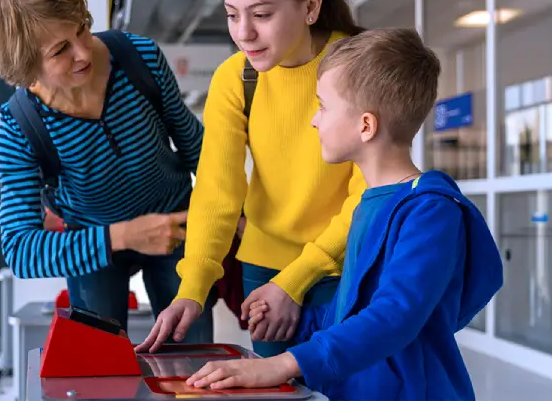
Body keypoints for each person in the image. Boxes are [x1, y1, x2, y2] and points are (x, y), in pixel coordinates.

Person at [184, 28, 504, 400]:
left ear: (365, 125)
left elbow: (393, 316)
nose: (314, 121)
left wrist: (282, 364)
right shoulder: (370, 202)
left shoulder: (430, 212)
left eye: (322, 106)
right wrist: (295, 321)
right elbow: (350, 310)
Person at [137, 0, 366, 357]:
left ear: (311, 6)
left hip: (343, 262)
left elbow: (367, 190)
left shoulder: (356, 68)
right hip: (263, 264)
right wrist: (192, 288)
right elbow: (217, 191)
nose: (244, 33)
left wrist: (296, 281)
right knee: (276, 389)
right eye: (231, 15)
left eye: (261, 14)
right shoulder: (235, 78)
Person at [0, 0, 214, 342]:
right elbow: (20, 249)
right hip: (92, 238)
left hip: (175, 219)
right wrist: (123, 235)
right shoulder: (19, 124)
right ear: (28, 72)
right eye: (60, 50)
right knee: (100, 366)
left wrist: (235, 212)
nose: (83, 51)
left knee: (193, 356)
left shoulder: (140, 57)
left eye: (83, 29)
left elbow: (197, 147)